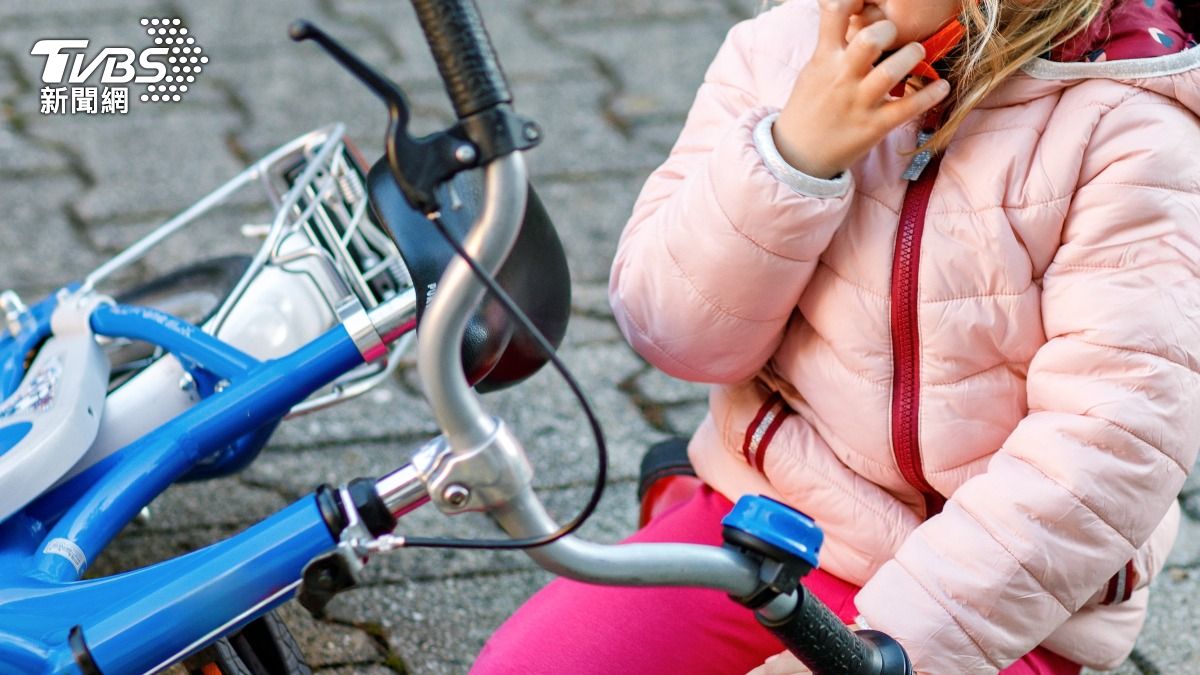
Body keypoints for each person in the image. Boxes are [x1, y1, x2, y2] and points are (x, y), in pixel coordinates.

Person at [472, 0, 1200, 672]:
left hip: (995, 599)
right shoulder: (784, 48)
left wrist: (891, 648)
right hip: (777, 514)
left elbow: (1107, 447)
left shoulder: (1130, 130)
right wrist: (791, 155)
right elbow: (675, 336)